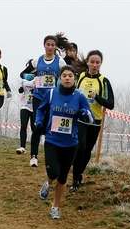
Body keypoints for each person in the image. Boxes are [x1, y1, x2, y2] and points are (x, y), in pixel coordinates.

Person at [37, 65, 94, 219]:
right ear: (60, 78)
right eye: (64, 76)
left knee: (62, 177)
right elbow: (41, 109)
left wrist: (83, 113)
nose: (67, 78)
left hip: (71, 143)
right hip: (52, 139)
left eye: (70, 76)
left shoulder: (79, 97)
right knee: (53, 172)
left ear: (75, 78)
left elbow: (90, 117)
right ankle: (48, 183)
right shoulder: (51, 94)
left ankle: (55, 207)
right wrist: (38, 122)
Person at [19, 32, 71, 167]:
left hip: (54, 97)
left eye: (52, 45)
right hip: (38, 97)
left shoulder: (60, 61)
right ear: (44, 46)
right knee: (37, 125)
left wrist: (61, 81)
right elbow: (22, 73)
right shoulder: (37, 60)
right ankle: (33, 156)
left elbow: (70, 73)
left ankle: (51, 155)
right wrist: (28, 76)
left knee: (51, 126)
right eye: (48, 45)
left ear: (55, 47)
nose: (50, 47)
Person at [70, 50, 115, 193]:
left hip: (95, 122)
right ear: (87, 62)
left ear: (101, 64)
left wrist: (96, 97)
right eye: (92, 62)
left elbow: (110, 104)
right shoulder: (80, 77)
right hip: (80, 119)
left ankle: (79, 174)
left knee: (87, 151)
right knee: (80, 148)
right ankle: (75, 180)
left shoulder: (104, 81)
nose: (95, 65)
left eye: (98, 62)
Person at [16, 76, 35, 154]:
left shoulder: (38, 79)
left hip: (35, 107)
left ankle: (34, 147)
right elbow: (21, 89)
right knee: (23, 125)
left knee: (34, 128)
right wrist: (20, 89)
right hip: (25, 106)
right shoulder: (24, 80)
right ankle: (22, 147)